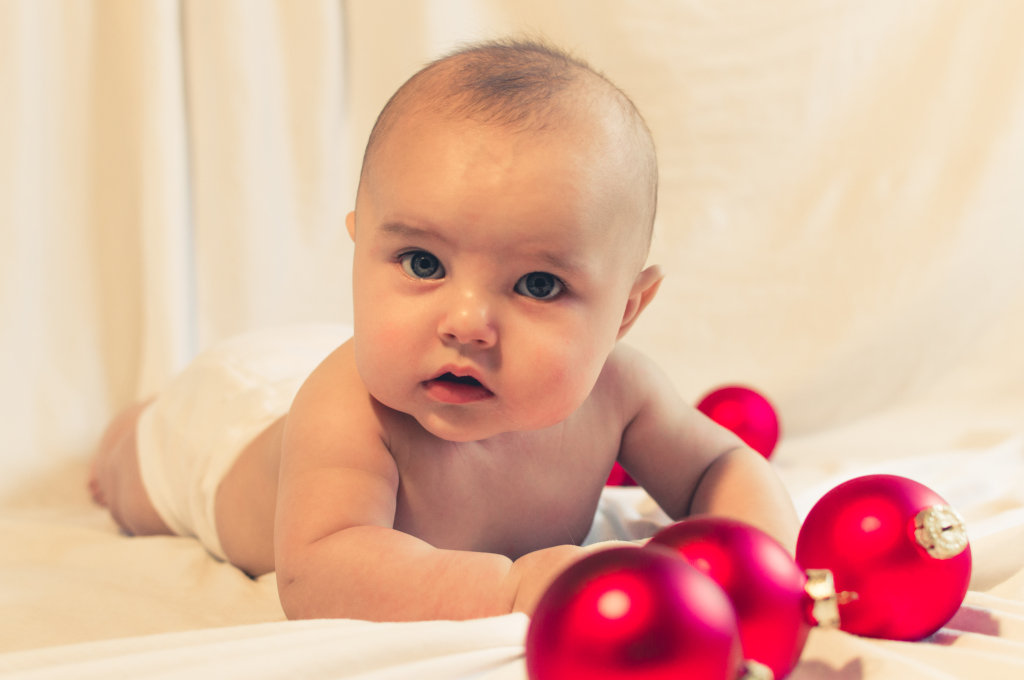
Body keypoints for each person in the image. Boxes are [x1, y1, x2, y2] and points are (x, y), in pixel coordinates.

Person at [89, 39, 800, 622]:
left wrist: (761, 563)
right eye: (423, 263)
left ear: (624, 313)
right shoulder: (351, 411)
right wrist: (511, 589)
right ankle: (130, 431)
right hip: (227, 425)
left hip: (314, 364)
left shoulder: (622, 394)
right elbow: (320, 575)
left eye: (538, 285)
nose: (466, 323)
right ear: (360, 244)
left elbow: (722, 469)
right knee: (134, 478)